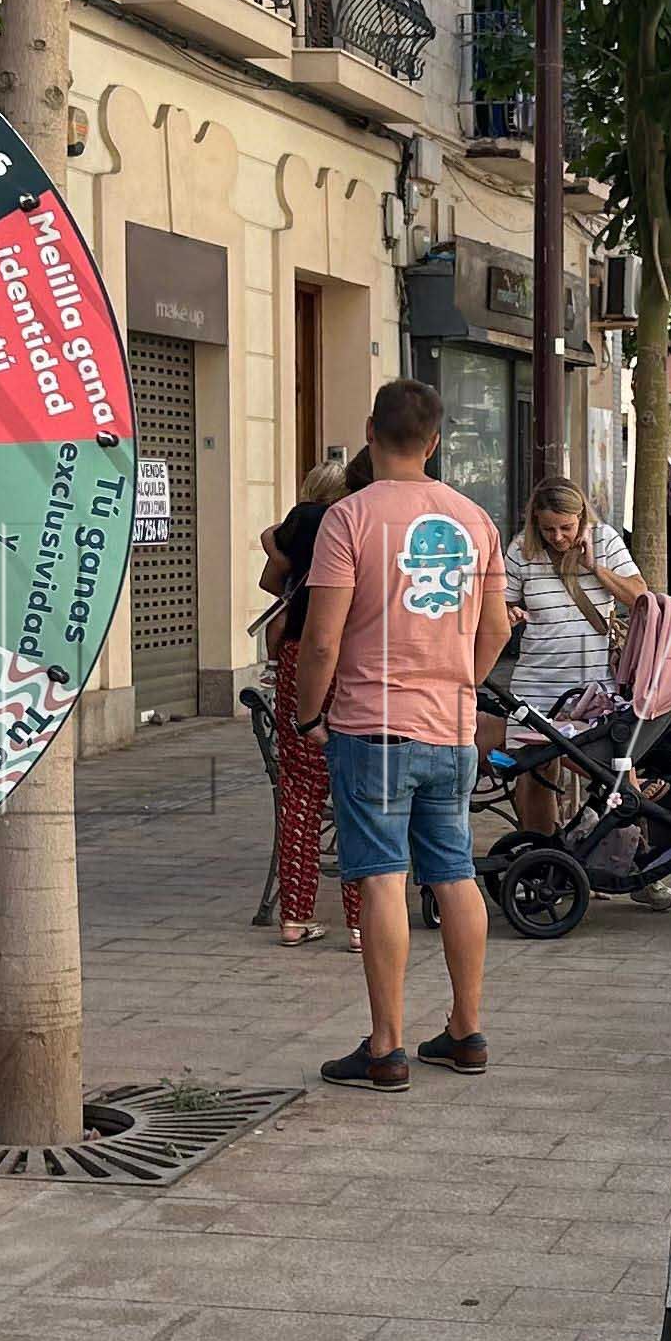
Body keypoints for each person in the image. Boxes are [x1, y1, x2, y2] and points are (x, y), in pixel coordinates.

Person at [290, 382, 510, 1091]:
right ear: (438, 439)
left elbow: (321, 640)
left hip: (372, 726)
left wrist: (306, 716)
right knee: (454, 874)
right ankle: (465, 1030)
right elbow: (499, 627)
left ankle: (385, 1047)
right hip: (450, 727)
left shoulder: (348, 519)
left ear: (368, 431)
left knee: (383, 876)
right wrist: (460, 685)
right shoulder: (477, 520)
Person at [494, 477, 642, 840]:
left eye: (565, 527)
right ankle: (543, 860)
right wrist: (509, 613)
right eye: (547, 529)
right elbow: (503, 603)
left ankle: (637, 862)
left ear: (581, 518)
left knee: (616, 773)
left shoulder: (605, 540)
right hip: (537, 682)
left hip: (593, 687)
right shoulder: (521, 550)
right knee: (537, 773)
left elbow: (639, 595)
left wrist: (596, 568)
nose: (557, 537)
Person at [257, 456, 357, 947]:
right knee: (359, 789)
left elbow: (270, 582)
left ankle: (295, 917)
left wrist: (278, 551)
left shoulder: (297, 525)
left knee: (300, 792)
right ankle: (362, 923)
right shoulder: (354, 522)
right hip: (351, 657)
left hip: (296, 656)